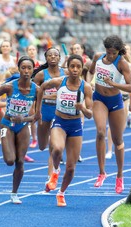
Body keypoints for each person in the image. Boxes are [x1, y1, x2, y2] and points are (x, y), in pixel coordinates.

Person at [0, 56, 42, 204]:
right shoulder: (9, 86)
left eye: (29, 68)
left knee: (20, 161)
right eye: (23, 68)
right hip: (7, 124)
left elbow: (37, 116)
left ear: (33, 70)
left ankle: (14, 193)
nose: (26, 71)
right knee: (10, 161)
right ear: (19, 69)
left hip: (23, 125)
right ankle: (6, 144)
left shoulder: (37, 90)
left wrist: (23, 119)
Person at [40, 54, 93, 206]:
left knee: (70, 168)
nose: (75, 69)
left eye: (78, 67)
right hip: (60, 122)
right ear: (67, 68)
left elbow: (90, 114)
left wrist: (82, 108)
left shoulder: (86, 87)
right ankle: (55, 171)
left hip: (75, 125)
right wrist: (37, 109)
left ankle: (61, 193)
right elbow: (42, 87)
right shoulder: (59, 82)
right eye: (72, 66)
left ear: (82, 69)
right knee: (57, 149)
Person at [87, 35, 131, 194]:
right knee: (100, 132)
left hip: (115, 101)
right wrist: (89, 84)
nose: (110, 56)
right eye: (108, 52)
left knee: (117, 139)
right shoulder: (97, 57)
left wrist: (113, 83)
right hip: (99, 98)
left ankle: (120, 176)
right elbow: (90, 71)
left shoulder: (122, 64)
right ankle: (102, 173)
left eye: (113, 53)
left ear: (118, 51)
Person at [0, 67, 34, 163]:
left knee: (11, 129)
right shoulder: (4, 86)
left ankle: (21, 153)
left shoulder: (14, 85)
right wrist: (11, 103)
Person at [32, 47, 66, 177]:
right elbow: (34, 94)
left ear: (59, 58)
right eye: (50, 55)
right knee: (42, 145)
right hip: (44, 111)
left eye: (55, 55)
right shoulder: (41, 75)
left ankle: (51, 176)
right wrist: (35, 111)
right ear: (46, 58)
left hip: (59, 112)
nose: (52, 57)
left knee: (53, 145)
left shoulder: (65, 74)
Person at [26, 44, 43, 148]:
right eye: (30, 49)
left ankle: (42, 136)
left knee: (39, 115)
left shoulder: (40, 64)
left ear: (36, 51)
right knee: (31, 115)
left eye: (33, 49)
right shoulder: (24, 64)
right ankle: (34, 138)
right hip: (27, 91)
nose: (31, 51)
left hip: (38, 91)